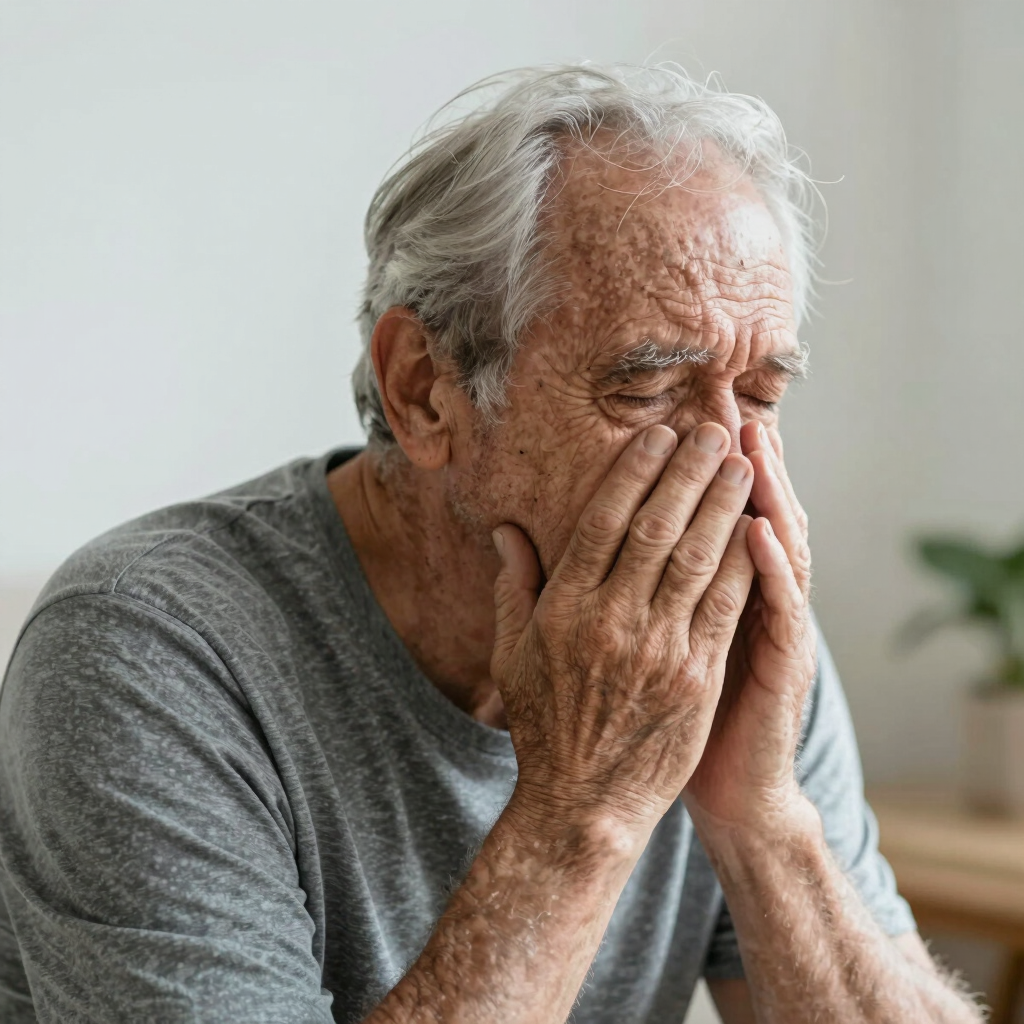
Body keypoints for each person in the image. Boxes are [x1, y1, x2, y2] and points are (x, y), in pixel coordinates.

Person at [0, 64, 983, 1023]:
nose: (728, 466)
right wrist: (578, 810)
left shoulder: (727, 623)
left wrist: (765, 823)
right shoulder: (143, 651)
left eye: (762, 392)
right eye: (644, 389)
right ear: (424, 388)